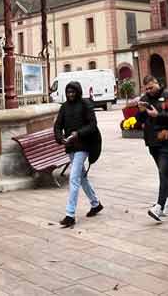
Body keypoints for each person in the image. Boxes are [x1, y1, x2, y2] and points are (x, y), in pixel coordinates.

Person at [53, 81, 103, 228]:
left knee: (74, 178)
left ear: (78, 92)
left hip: (84, 145)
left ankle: (70, 214)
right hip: (70, 146)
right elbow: (57, 125)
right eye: (68, 92)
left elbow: (93, 124)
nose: (70, 94)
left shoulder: (86, 104)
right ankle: (95, 204)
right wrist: (59, 137)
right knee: (81, 177)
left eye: (73, 92)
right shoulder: (64, 107)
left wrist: (78, 134)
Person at [136, 75, 168, 222]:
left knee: (163, 171)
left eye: (151, 87)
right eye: (147, 89)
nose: (149, 91)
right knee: (165, 172)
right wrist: (141, 111)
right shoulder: (145, 98)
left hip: (167, 139)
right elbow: (139, 119)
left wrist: (158, 115)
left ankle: (159, 207)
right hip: (152, 141)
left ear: (157, 83)